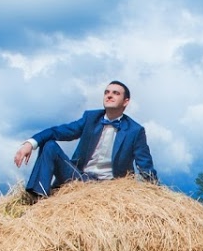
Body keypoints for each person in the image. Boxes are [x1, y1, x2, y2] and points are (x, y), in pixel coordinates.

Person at [13, 80, 157, 198]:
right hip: (80, 178)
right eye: (106, 92)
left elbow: (145, 165)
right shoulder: (90, 118)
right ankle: (38, 197)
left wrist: (157, 194)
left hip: (111, 187)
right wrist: (30, 143)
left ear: (125, 101)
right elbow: (58, 131)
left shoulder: (135, 130)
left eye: (115, 93)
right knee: (49, 145)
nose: (109, 95)